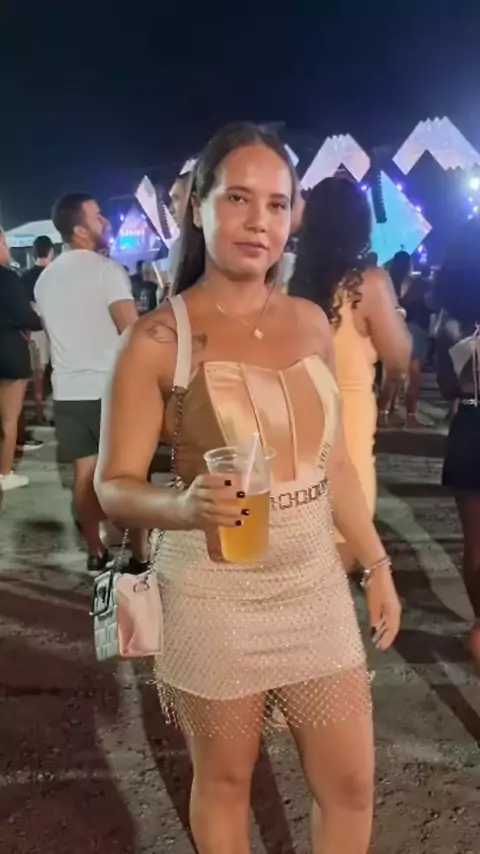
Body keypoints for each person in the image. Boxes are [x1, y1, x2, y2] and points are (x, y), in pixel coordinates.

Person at [96, 122, 401, 854]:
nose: (259, 220)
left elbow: (335, 466)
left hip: (312, 582)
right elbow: (114, 485)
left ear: (293, 216)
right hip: (213, 590)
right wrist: (180, 506)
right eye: (238, 198)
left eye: (276, 203)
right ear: (198, 206)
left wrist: (377, 563)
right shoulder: (156, 340)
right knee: (226, 782)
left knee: (351, 785)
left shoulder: (310, 321)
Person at [290, 177, 411, 570]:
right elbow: (399, 358)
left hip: (293, 422)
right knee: (343, 544)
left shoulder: (287, 281)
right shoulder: (368, 284)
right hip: (349, 426)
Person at [34, 193, 142, 573]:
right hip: (112, 391)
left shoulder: (44, 281)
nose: (106, 221)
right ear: (80, 230)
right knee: (129, 476)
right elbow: (133, 333)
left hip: (69, 394)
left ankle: (95, 552)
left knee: (84, 477)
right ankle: (140, 555)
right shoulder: (107, 271)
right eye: (98, 216)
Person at [436, 217, 480, 665]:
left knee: (476, 544)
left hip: (471, 422)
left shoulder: (452, 321)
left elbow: (447, 385)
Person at [0, 227, 43, 490]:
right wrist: (38, 319)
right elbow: (25, 316)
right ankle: (5, 474)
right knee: (8, 418)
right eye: (4, 243)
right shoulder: (7, 278)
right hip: (8, 351)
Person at [21, 235, 55, 426]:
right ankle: (60, 412)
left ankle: (40, 413)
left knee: (38, 374)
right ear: (51, 251)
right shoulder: (57, 274)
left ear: (34, 253)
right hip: (58, 327)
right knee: (59, 370)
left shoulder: (25, 277)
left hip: (36, 329)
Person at [377, 250, 412, 424]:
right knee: (396, 372)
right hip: (398, 329)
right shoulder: (391, 282)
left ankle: (387, 406)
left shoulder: (388, 281)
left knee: (393, 373)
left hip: (394, 329)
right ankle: (386, 407)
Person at [399, 266, 432, 427]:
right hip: (417, 333)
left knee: (405, 377)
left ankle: (388, 411)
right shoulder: (424, 297)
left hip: (404, 330)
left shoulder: (405, 298)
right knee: (414, 377)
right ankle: (411, 417)